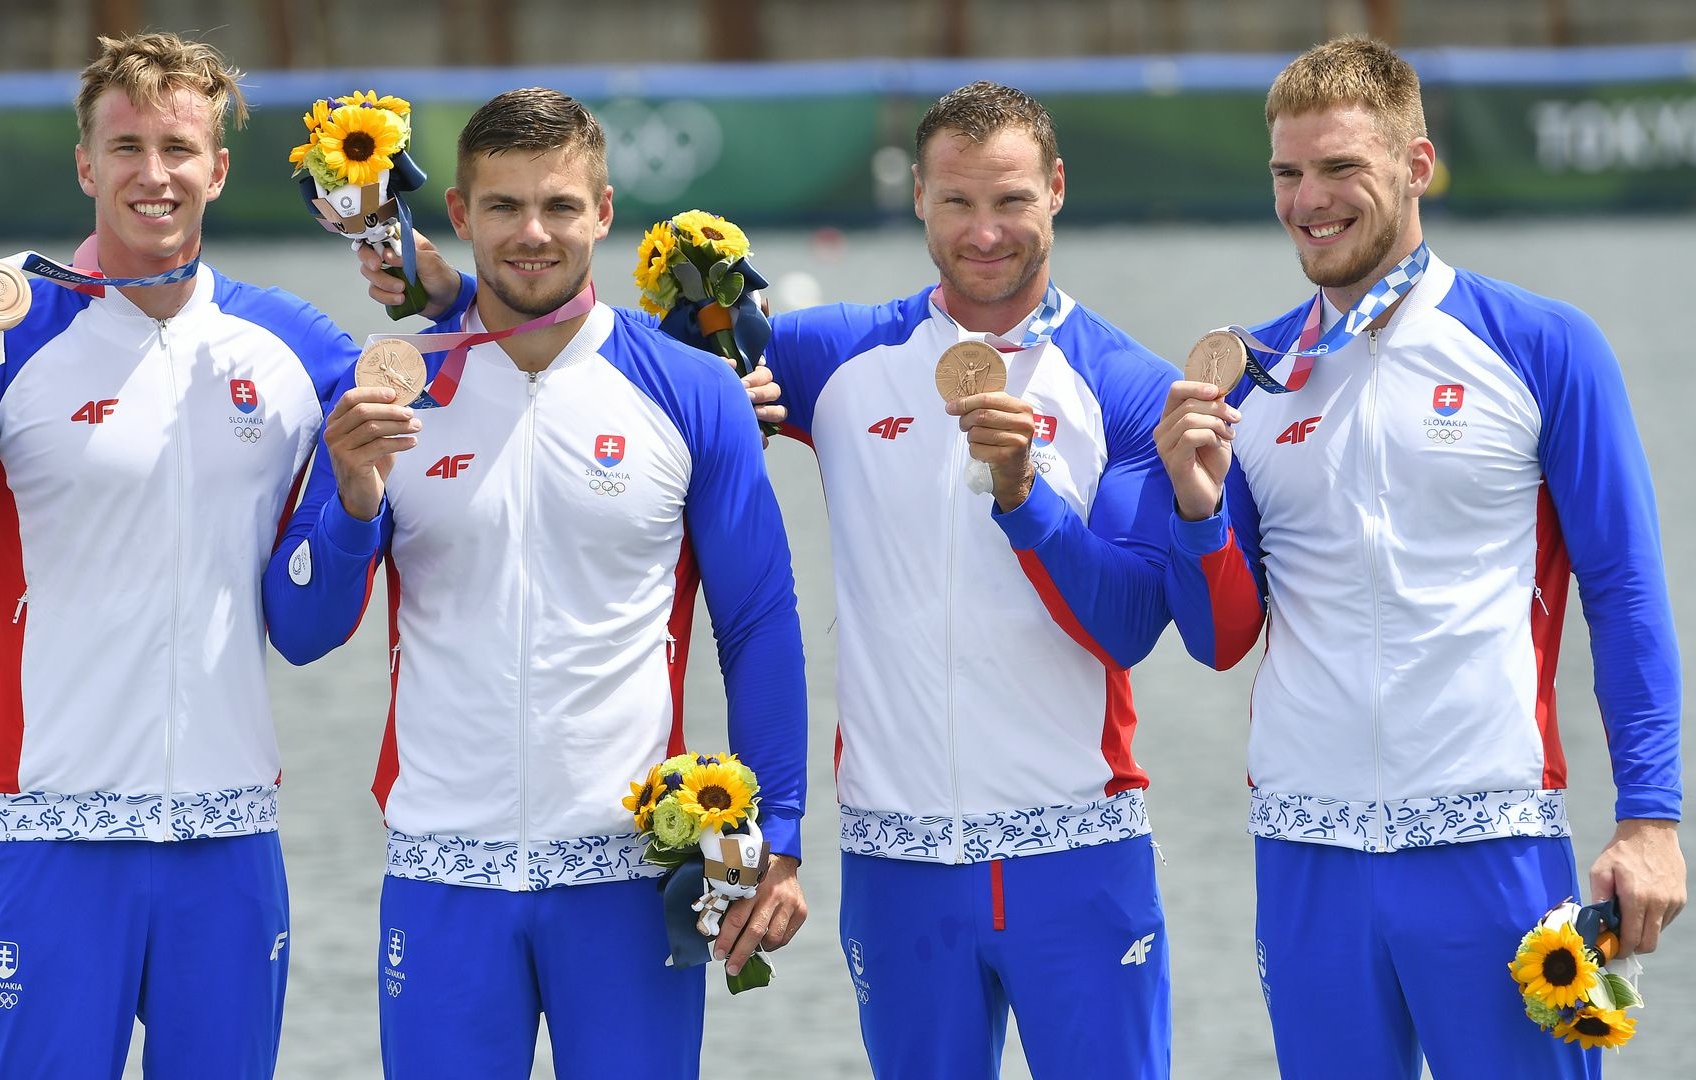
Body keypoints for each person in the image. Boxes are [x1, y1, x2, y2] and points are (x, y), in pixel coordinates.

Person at [368, 78, 1177, 1080]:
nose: (985, 231)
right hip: (899, 862)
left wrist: (1027, 498)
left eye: (1010, 199)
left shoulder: (1131, 382)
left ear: (1056, 189)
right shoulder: (837, 352)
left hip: (1081, 852)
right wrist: (450, 298)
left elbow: (1138, 623)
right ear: (917, 195)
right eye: (958, 200)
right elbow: (583, 340)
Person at [0, 32, 365, 1080]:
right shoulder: (3, 334)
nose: (152, 174)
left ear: (218, 169)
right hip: (47, 834)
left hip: (229, 838)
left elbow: (311, 621)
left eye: (177, 147)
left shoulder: (299, 350)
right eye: (125, 147)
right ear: (84, 164)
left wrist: (357, 499)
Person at [1156, 36, 1686, 1079]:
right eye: (1289, 173)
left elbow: (1625, 591)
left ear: (1416, 165)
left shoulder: (1543, 344)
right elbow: (1221, 639)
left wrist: (1651, 820)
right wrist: (1193, 508)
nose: (1311, 199)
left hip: (1494, 843)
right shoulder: (1246, 381)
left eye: (1341, 168)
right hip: (1307, 852)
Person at [263, 88, 810, 1079]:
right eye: (505, 207)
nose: (533, 232)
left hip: (630, 880)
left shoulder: (691, 393)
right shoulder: (394, 385)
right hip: (443, 874)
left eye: (560, 206)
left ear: (604, 212)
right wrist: (350, 497)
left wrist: (782, 833)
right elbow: (301, 629)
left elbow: (760, 624)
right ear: (461, 217)